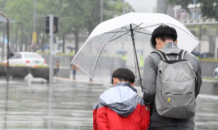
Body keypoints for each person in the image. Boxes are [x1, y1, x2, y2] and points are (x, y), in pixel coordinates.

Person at [142, 25, 202, 130]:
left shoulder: (152, 59)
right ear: (176, 41)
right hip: (186, 122)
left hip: (160, 121)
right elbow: (196, 89)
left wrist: (146, 101)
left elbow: (149, 92)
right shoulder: (193, 59)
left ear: (157, 41)